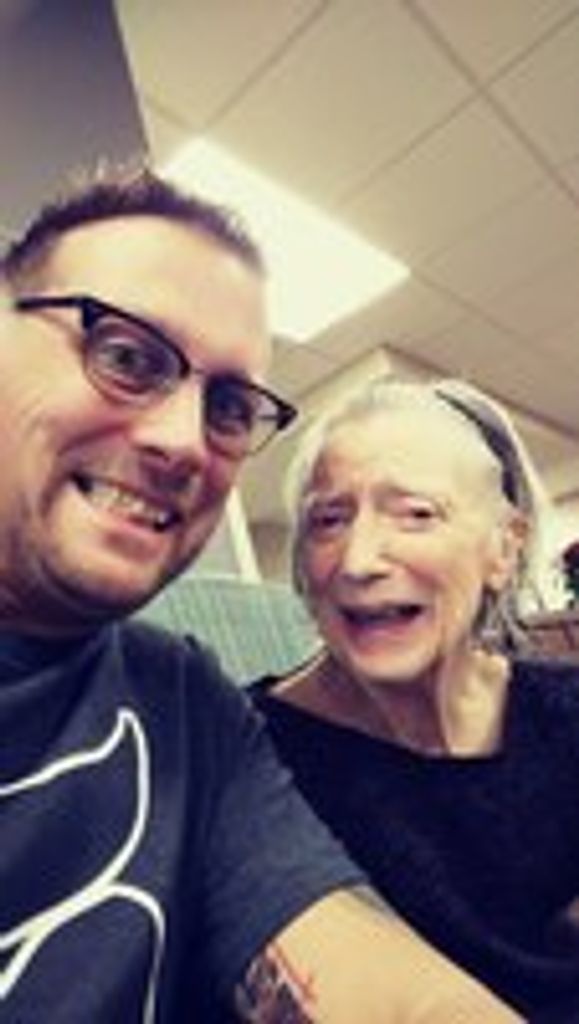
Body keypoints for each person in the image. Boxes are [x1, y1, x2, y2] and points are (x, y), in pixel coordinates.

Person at [0, 167, 521, 1024]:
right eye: (124, 356)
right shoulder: (273, 719)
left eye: (230, 407)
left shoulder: (185, 703)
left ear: (504, 550)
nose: (183, 442)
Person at [250, 375, 579, 1022]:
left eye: (415, 514)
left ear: (503, 549)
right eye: (328, 520)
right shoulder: (251, 756)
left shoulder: (566, 710)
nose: (358, 560)